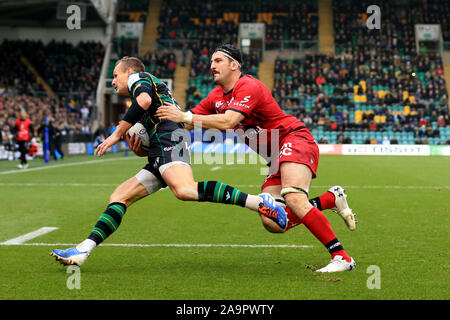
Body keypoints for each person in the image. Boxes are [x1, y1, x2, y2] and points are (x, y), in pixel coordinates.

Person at [51, 56, 286, 267]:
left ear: (128, 71)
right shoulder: (146, 92)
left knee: (184, 190)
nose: (113, 82)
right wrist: (141, 150)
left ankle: (260, 202)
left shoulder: (138, 78)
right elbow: (147, 116)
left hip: (168, 136)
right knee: (120, 197)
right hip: (161, 143)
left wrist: (116, 134)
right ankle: (83, 250)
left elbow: (143, 100)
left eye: (115, 75)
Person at [156, 44, 357, 272]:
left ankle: (342, 257)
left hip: (293, 138)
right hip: (274, 156)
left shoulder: (248, 86)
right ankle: (329, 200)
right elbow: (185, 121)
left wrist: (184, 116)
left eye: (218, 61)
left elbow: (228, 121)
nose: (212, 66)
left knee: (292, 196)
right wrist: (152, 122)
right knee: (273, 221)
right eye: (211, 62)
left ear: (235, 65)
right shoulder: (215, 97)